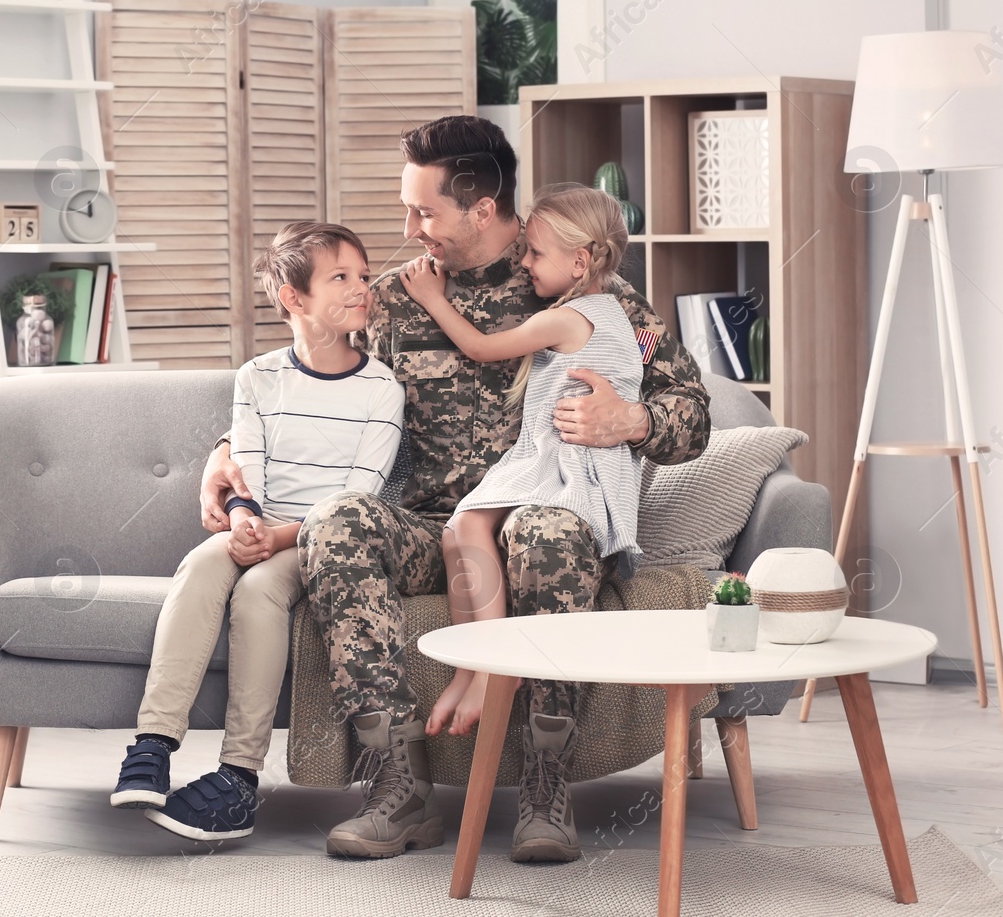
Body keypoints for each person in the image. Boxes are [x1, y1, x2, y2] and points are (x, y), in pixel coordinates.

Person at [199, 115, 709, 863]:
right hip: (426, 528)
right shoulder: (395, 299)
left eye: (424, 211)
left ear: (481, 207)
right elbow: (296, 375)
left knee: (548, 533)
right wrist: (222, 454)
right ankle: (396, 790)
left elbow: (692, 417)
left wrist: (628, 417)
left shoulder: (589, 293)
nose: (409, 230)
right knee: (338, 522)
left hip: (537, 517)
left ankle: (546, 788)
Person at [111, 221, 405, 843]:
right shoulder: (258, 377)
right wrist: (244, 517)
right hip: (261, 524)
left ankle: (239, 778)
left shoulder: (381, 386)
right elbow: (248, 464)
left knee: (258, 591)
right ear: (293, 299)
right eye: (341, 277)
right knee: (200, 565)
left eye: (362, 273)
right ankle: (152, 746)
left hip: (322, 538)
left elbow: (361, 490)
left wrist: (280, 538)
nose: (362, 288)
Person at [397, 184, 644, 740]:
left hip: (568, 461)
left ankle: (490, 669)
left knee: (466, 526)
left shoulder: (573, 317)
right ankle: (472, 665)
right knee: (459, 529)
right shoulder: (598, 312)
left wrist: (434, 300)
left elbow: (483, 348)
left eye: (536, 253)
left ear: (579, 262)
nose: (525, 262)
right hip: (552, 452)